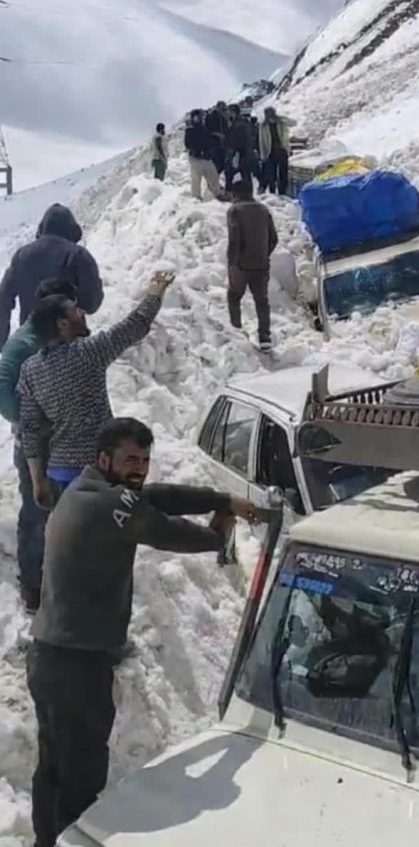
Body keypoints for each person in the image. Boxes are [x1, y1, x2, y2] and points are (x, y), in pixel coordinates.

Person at [26, 416, 269, 847]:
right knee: (80, 773)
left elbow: (157, 497)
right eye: (130, 459)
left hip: (50, 656)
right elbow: (166, 530)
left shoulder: (87, 491)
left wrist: (222, 497)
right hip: (76, 667)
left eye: (144, 459)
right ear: (104, 459)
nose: (139, 468)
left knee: (53, 766)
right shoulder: (112, 506)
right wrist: (220, 531)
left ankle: (47, 840)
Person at [18, 272, 175, 512]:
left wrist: (38, 482)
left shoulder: (30, 370)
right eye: (75, 310)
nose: (82, 313)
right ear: (62, 324)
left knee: (70, 540)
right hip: (98, 471)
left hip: (59, 474)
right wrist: (155, 293)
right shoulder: (87, 353)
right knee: (103, 541)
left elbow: (29, 429)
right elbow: (133, 327)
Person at [0, 279, 77, 612]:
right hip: (35, 445)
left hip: (59, 442)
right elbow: (2, 388)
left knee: (60, 509)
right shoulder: (24, 344)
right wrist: (30, 420)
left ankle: (56, 577)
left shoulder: (46, 338)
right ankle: (32, 584)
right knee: (35, 510)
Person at [0, 204, 103, 349]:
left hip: (31, 344)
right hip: (68, 347)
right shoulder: (78, 255)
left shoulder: (21, 256)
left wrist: (2, 339)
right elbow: (92, 303)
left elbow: (3, 298)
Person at [227, 179, 278, 350]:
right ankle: (265, 337)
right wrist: (264, 254)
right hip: (261, 264)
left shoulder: (234, 211)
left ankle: (236, 331)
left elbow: (235, 239)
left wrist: (233, 263)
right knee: (261, 301)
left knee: (233, 296)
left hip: (241, 265)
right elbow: (274, 239)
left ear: (236, 194)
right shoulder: (263, 210)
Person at [184, 110, 221, 200]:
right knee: (196, 180)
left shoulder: (205, 129)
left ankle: (217, 194)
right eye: (197, 117)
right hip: (195, 158)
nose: (199, 119)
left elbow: (209, 142)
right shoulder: (190, 131)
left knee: (213, 176)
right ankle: (196, 198)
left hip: (207, 158)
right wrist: (195, 151)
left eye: (200, 117)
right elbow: (187, 144)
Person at [259, 107, 296, 196]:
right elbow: (261, 140)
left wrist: (281, 118)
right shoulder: (263, 126)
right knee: (272, 174)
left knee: (283, 173)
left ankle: (282, 192)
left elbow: (293, 123)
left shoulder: (281, 122)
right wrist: (263, 154)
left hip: (282, 150)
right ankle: (272, 191)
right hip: (270, 152)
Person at [226, 103, 256, 190]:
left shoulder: (240, 124)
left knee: (239, 173)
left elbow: (240, 139)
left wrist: (235, 151)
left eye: (230, 111)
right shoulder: (238, 122)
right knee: (243, 173)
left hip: (240, 152)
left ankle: (231, 192)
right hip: (240, 152)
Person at [204, 101, 230, 185]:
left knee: (222, 166)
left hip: (224, 146)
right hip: (214, 146)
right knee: (215, 166)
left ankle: (216, 185)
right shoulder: (211, 117)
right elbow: (206, 131)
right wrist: (216, 134)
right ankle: (212, 185)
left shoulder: (225, 118)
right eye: (223, 109)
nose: (224, 111)